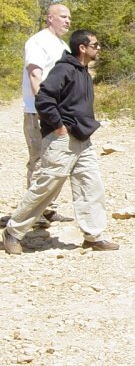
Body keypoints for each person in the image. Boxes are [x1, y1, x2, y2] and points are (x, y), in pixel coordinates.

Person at [2, 29, 119, 255]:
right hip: (62, 140)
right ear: (82, 48)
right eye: (95, 44)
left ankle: (94, 236)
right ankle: (13, 232)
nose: (99, 48)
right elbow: (44, 99)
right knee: (46, 187)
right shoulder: (63, 69)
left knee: (91, 186)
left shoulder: (83, 71)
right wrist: (58, 126)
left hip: (83, 139)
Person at [20, 4, 75, 226]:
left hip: (59, 112)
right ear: (50, 18)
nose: (68, 21)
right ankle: (32, 214)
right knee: (39, 160)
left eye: (69, 17)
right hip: (39, 112)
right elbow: (35, 75)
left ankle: (47, 208)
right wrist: (45, 109)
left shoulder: (62, 45)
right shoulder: (38, 41)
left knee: (57, 161)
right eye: (63, 16)